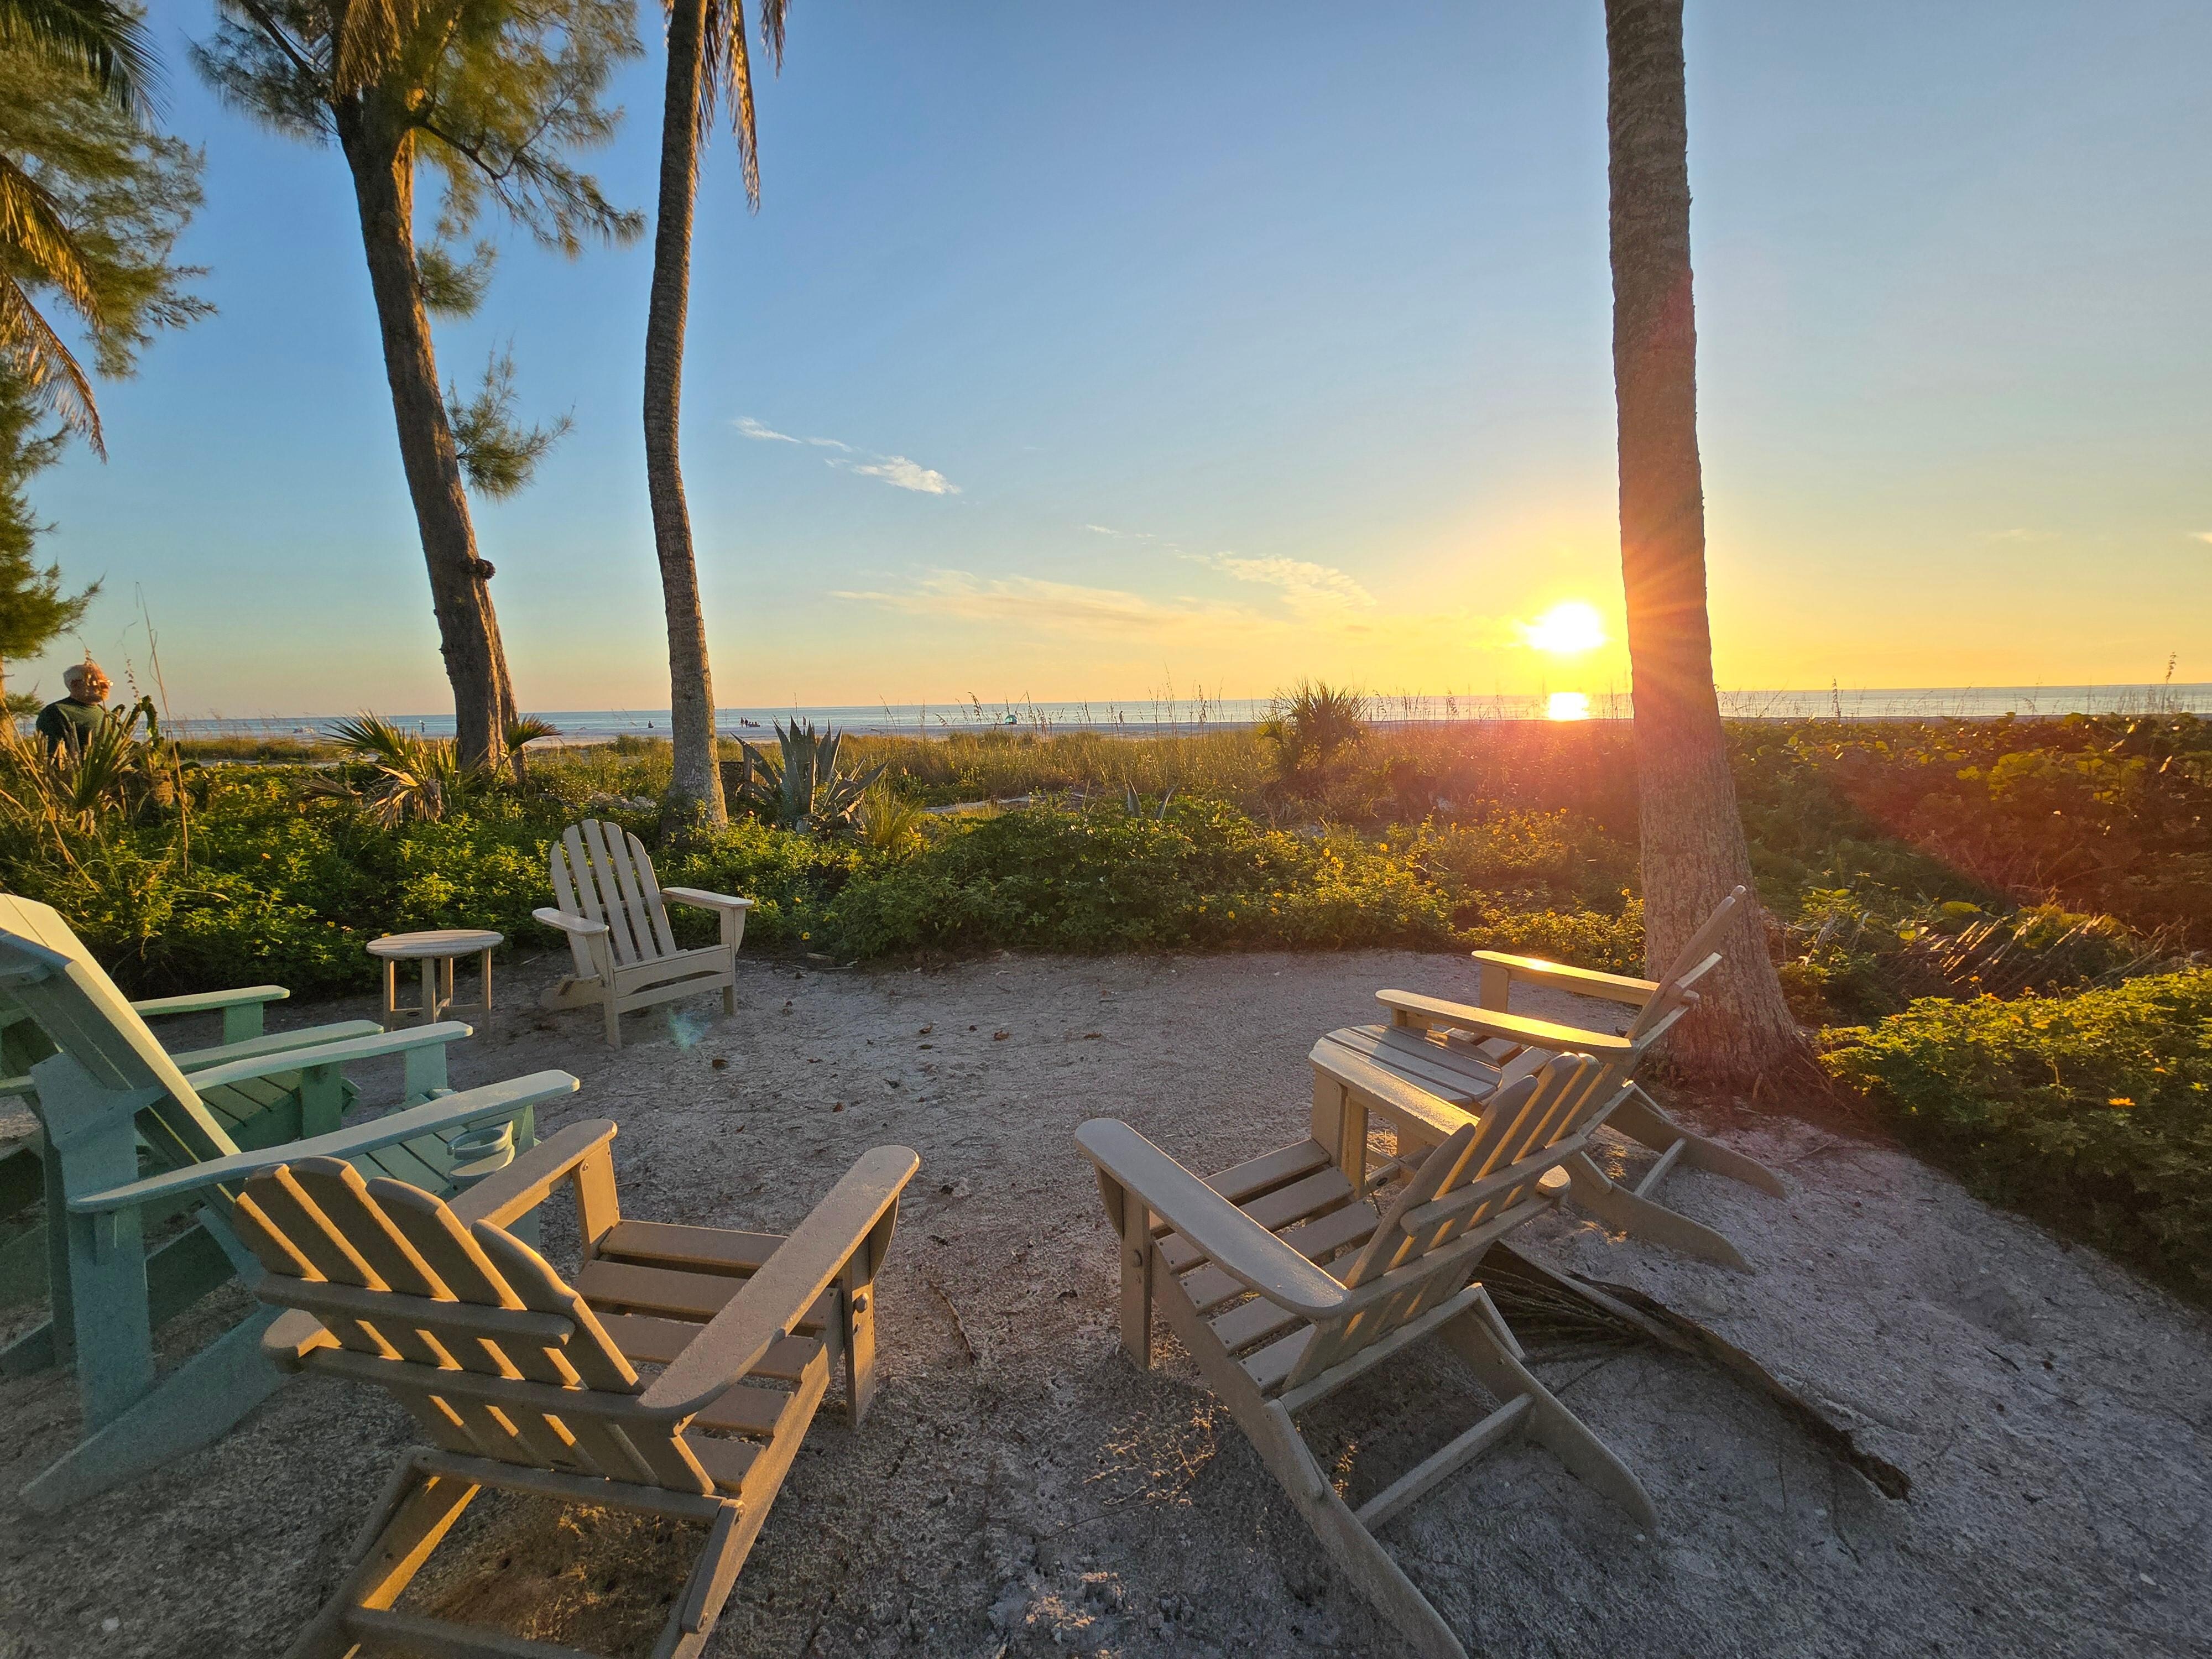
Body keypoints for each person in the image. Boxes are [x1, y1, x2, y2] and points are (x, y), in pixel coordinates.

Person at [35, 660, 111, 758]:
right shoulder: (57, 712)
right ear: (75, 684)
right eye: (98, 683)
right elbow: (52, 754)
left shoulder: (108, 714)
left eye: (108, 682)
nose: (106, 686)